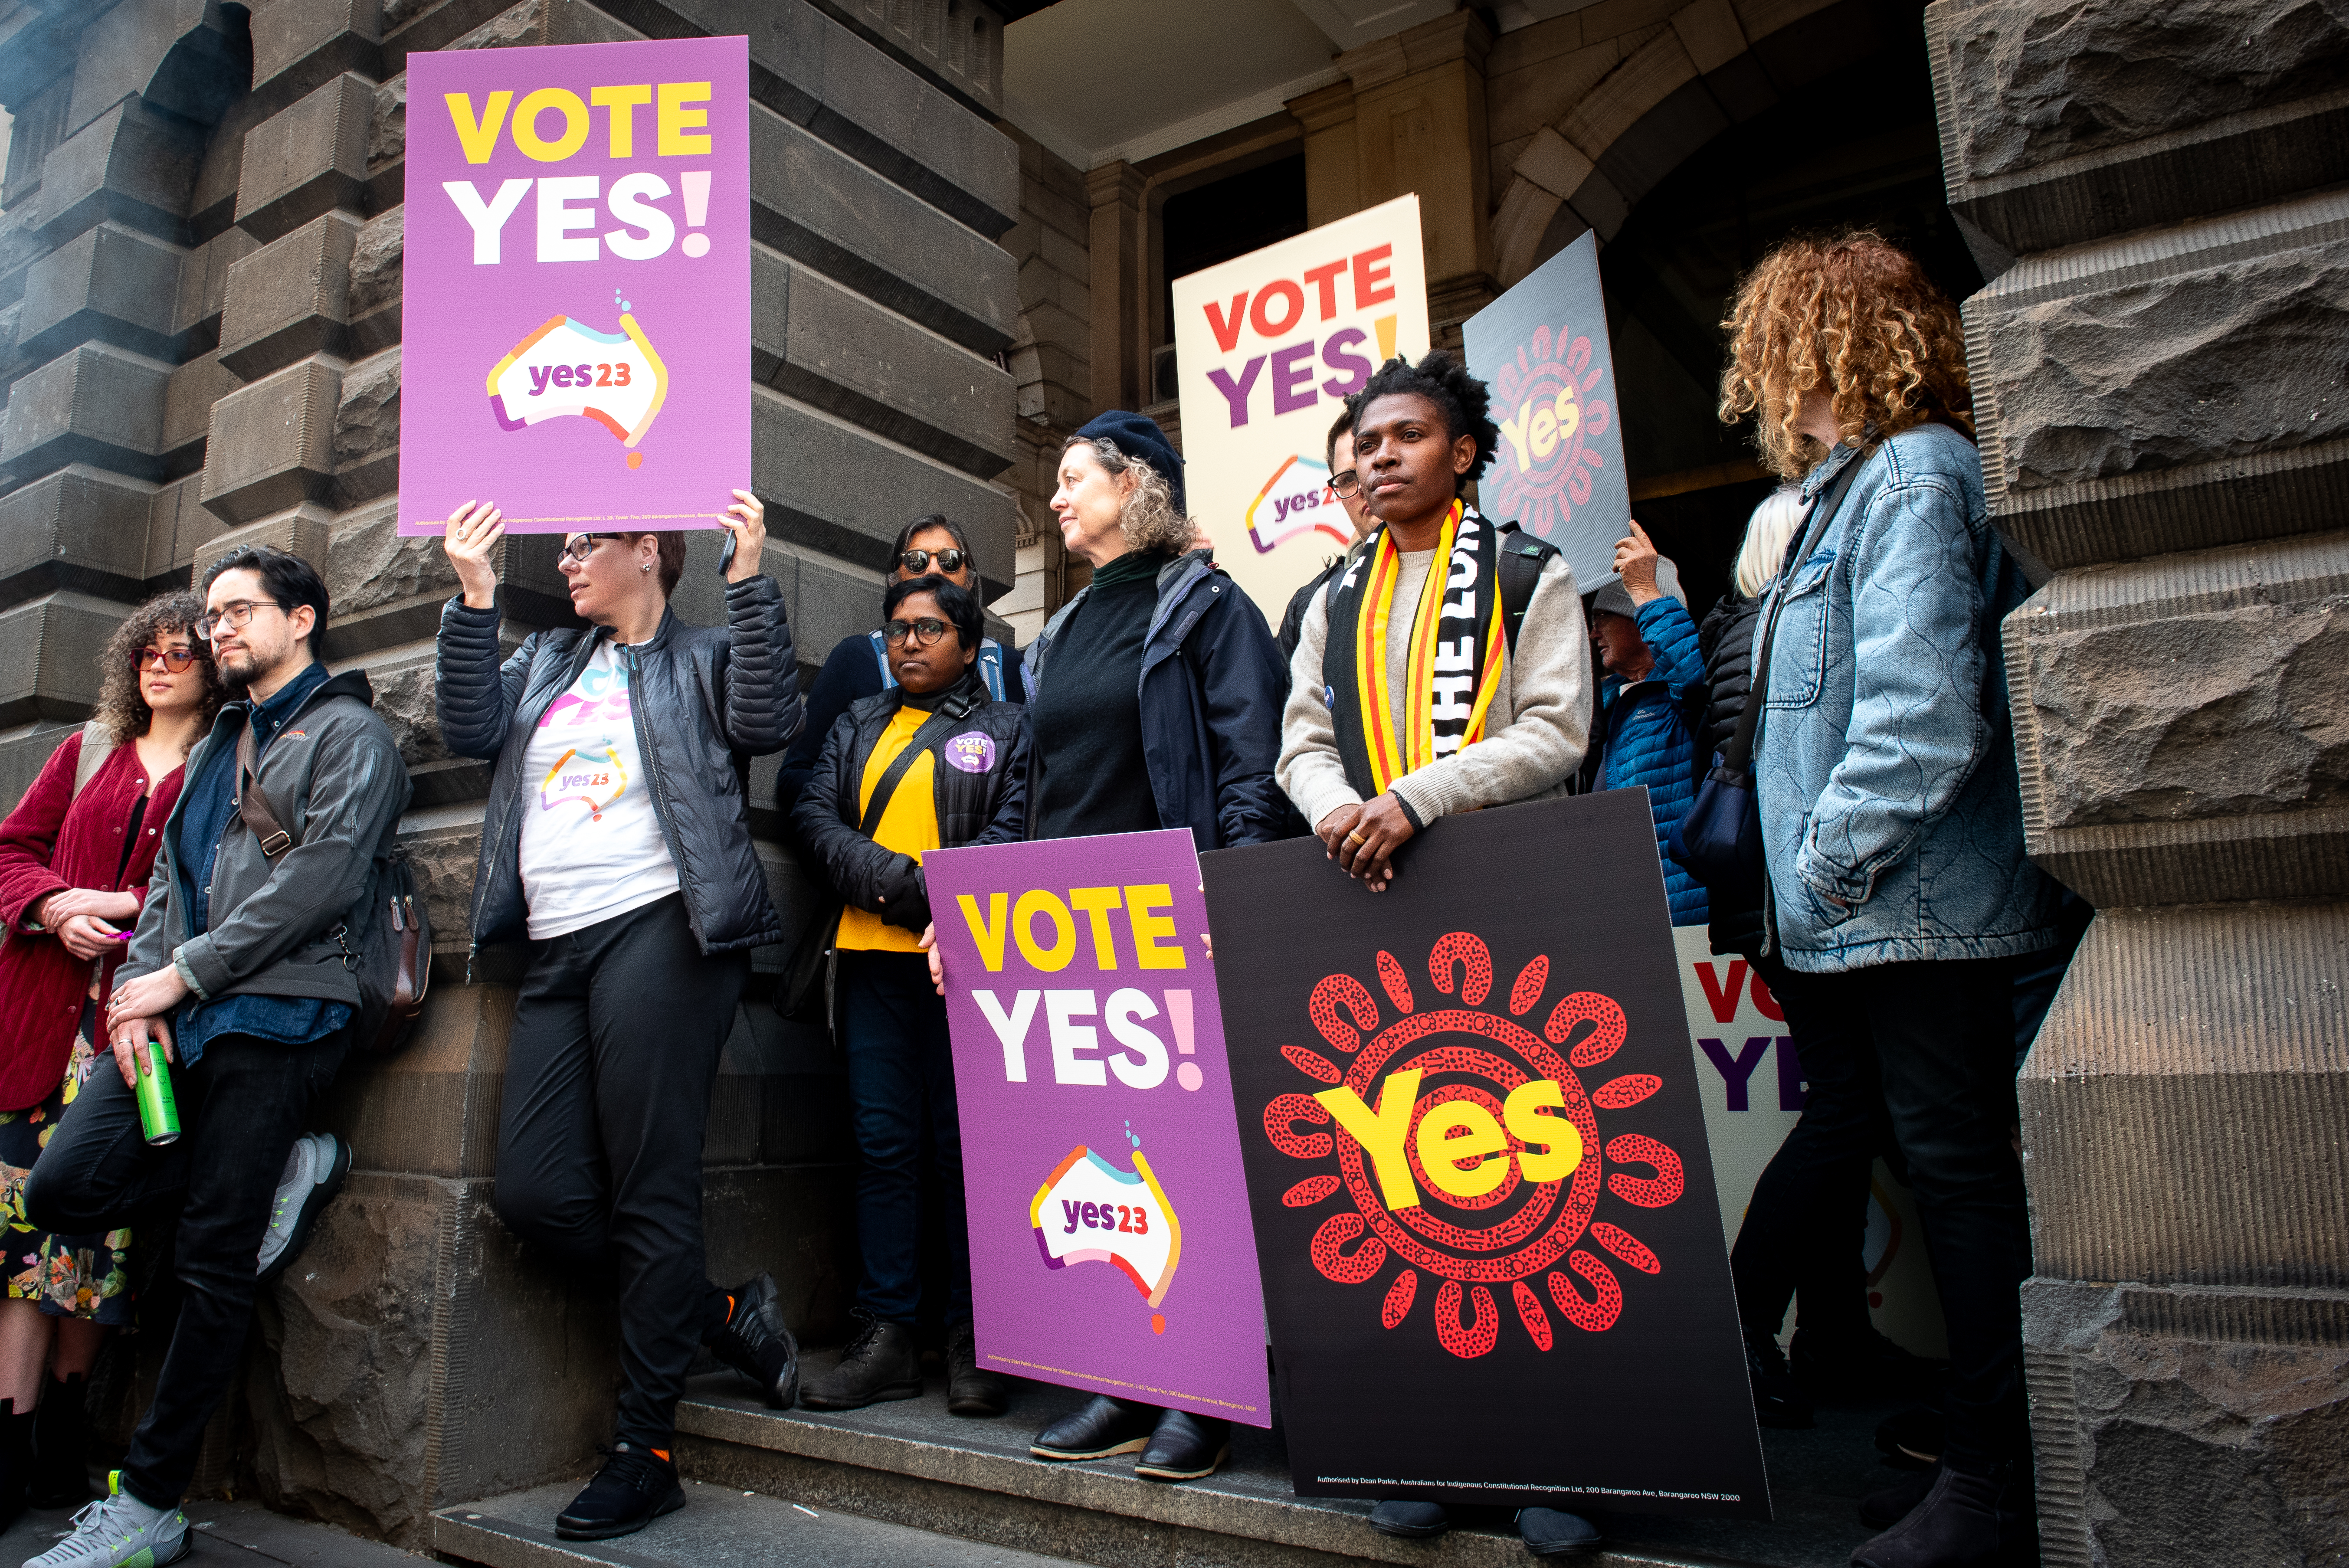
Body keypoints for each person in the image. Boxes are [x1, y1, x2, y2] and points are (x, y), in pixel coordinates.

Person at [1721, 231, 2056, 1568]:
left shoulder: (1914, 472)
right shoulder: (1851, 493)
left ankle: (1987, 1486)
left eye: (1774, 350)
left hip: (1917, 908)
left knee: (1964, 1183)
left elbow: (1918, 717)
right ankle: (1979, 1471)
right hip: (1874, 917)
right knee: (1948, 1173)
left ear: (1823, 343)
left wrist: (1819, 867)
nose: (1762, 382)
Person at [21, 548, 410, 1568]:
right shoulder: (218, 741)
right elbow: (162, 888)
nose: (218, 627)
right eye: (216, 612)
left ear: (305, 619)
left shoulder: (352, 735)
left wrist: (184, 973)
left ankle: (149, 1502)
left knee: (208, 1264)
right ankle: (282, 1169)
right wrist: (137, 1003)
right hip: (176, 1020)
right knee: (62, 1188)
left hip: (279, 1017)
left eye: (241, 610)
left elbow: (321, 880)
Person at [433, 496, 807, 1543]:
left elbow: (769, 722)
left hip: (663, 934)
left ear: (646, 551)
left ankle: (645, 1449)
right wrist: (472, 596)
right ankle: (724, 1312)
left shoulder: (701, 657)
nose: (564, 560)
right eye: (559, 546)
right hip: (555, 947)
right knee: (538, 1191)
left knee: (649, 1191)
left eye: (582, 542)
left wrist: (749, 575)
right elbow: (467, 730)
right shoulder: (549, 660)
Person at [1278, 352, 1601, 1558]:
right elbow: (1298, 741)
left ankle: (1559, 1458)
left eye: (1404, 436)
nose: (1377, 457)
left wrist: (1410, 798)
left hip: (1512, 906)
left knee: (1535, 1178)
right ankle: (1435, 1447)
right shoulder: (1326, 596)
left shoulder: (1528, 570)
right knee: (1405, 1183)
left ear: (1458, 452)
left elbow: (1555, 731)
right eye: (1363, 443)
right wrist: (1334, 811)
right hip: (1369, 904)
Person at [953, 408, 1287, 1483]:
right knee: (1106, 1148)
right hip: (1068, 938)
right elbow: (1024, 785)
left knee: (1191, 1151)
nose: (1055, 500)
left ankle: (1203, 1393)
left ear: (1136, 485)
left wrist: (1230, 897)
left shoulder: (1209, 607)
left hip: (1168, 919)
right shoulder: (1056, 633)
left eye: (1072, 479)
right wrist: (975, 919)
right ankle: (1124, 1372)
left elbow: (1249, 760)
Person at [1688, 487, 1935, 1434]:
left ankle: (1827, 1329)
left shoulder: (1736, 622)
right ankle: (1744, 1328)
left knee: (1848, 1113)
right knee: (1844, 1111)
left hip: (1778, 898)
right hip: (1790, 898)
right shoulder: (1768, 625)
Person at [0, 595, 221, 1523]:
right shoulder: (88, 748)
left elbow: (216, 887)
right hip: (40, 1029)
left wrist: (124, 907)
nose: (161, 666)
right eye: (149, 653)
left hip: (135, 1031)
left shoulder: (224, 762)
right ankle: (10, 1444)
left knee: (96, 1247)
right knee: (18, 1244)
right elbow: (11, 848)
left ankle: (64, 1438)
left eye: (182, 653)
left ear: (213, 665)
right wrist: (55, 905)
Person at [790, 576, 1028, 1420]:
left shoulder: (1007, 728)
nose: (910, 642)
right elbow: (816, 820)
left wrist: (946, 901)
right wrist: (908, 886)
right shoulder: (858, 722)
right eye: (897, 629)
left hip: (967, 966)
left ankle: (978, 1337)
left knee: (966, 1151)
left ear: (968, 643)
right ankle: (888, 1335)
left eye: (930, 628)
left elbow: (1016, 825)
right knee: (882, 1145)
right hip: (868, 966)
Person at [776, 516, 1022, 815]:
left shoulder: (1008, 667)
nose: (934, 570)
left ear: (970, 581)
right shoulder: (857, 658)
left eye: (950, 560)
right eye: (916, 561)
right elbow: (796, 774)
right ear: (895, 579)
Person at [1583, 524, 1707, 926]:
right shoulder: (1609, 705)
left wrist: (1643, 590)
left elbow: (1693, 679)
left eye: (1603, 616)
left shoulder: (1682, 695)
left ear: (1640, 618)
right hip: (1637, 917)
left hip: (1690, 920)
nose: (1592, 631)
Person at [1276, 407, 1376, 665]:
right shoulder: (1309, 607)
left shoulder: (1489, 562)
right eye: (1348, 478)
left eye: (1375, 463)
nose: (1366, 486)